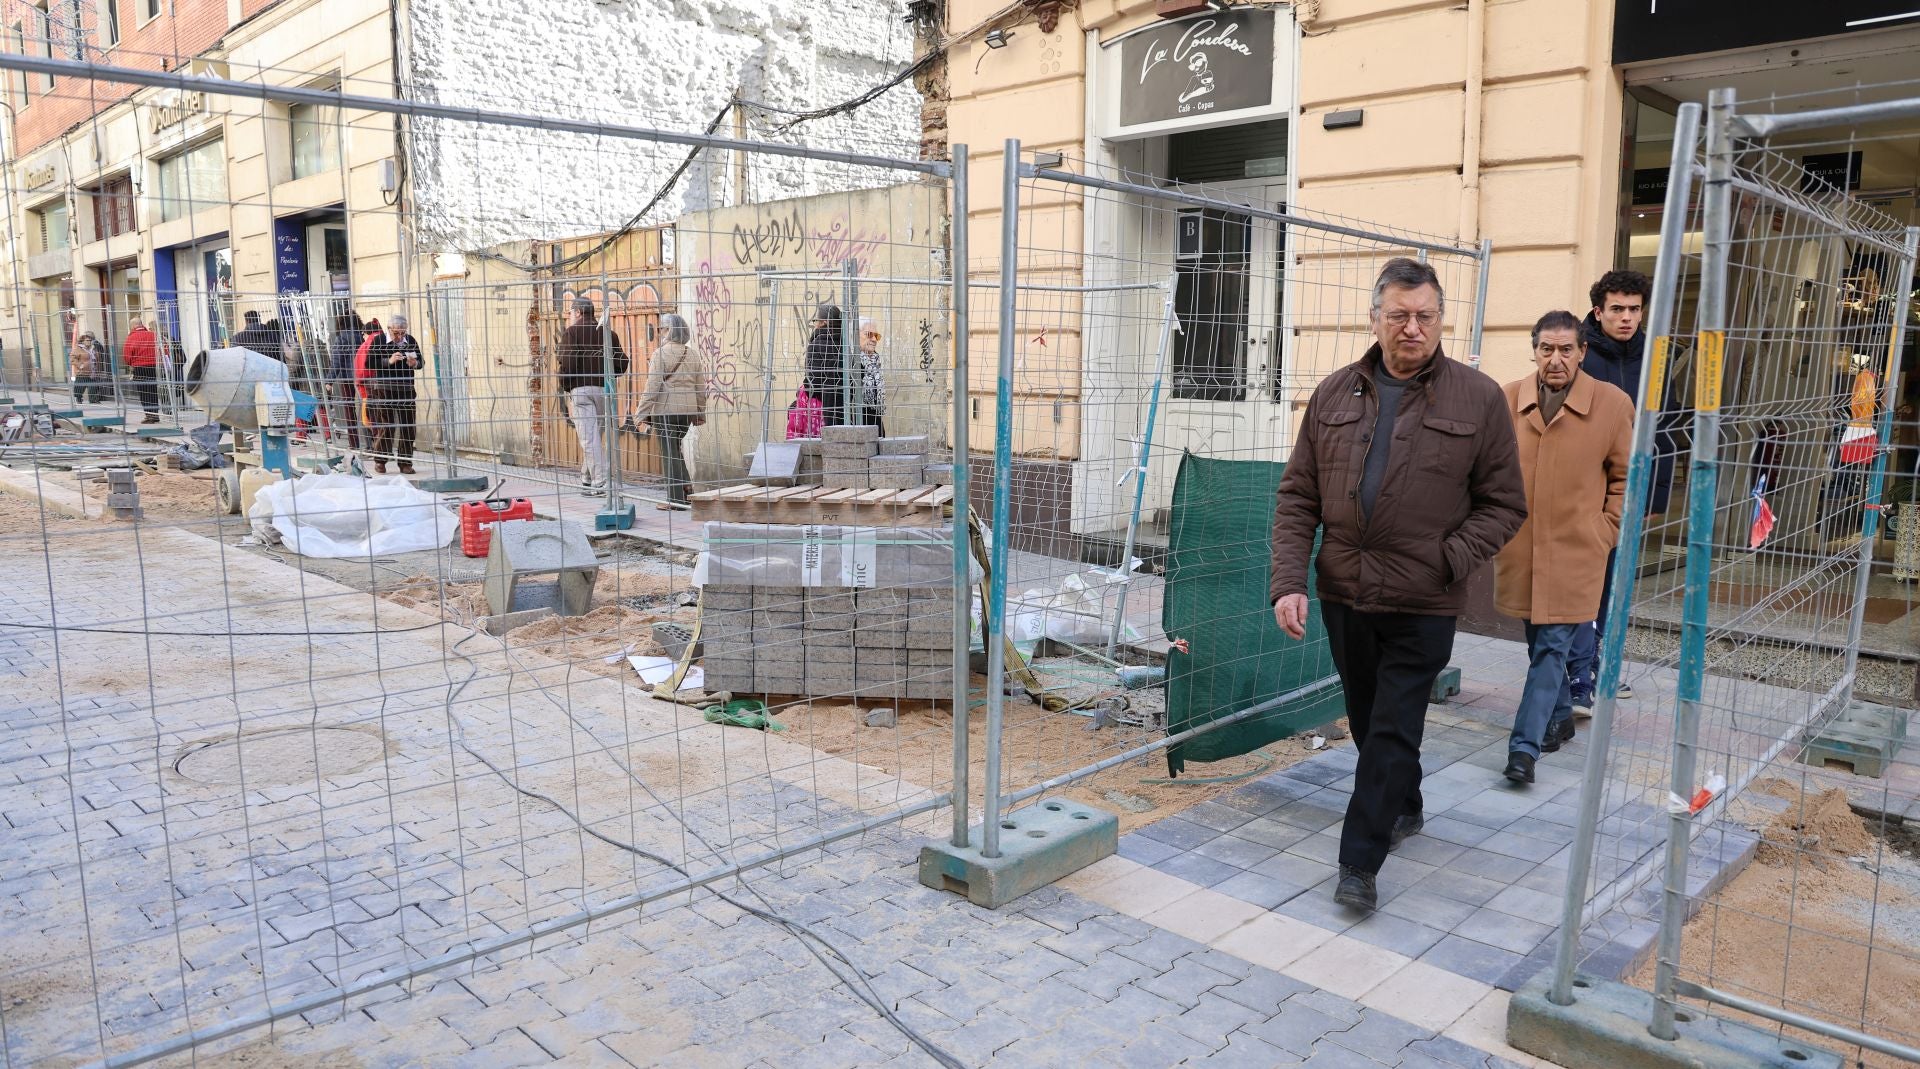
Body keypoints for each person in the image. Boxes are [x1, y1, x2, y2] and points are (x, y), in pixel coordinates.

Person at [1269, 257, 1526, 912]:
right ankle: (1405, 801)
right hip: (1345, 596)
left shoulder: (1479, 398)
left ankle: (1360, 862)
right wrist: (1288, 582)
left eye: (1426, 316)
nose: (1413, 328)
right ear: (1375, 318)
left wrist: (1448, 560)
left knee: (1390, 726)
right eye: (1399, 315)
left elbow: (1504, 505)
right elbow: (1298, 496)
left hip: (1423, 600)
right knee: (1367, 720)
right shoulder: (1332, 394)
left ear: (1441, 319)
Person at [1495, 311, 1633, 784]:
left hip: (1578, 550)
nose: (1556, 359)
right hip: (1521, 548)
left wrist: (1605, 529)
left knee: (1553, 646)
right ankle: (1557, 720)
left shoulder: (1612, 405)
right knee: (1537, 641)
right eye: (1547, 349)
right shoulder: (1508, 398)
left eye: (1566, 349)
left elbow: (1626, 479)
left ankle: (1523, 749)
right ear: (1534, 350)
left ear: (1582, 352)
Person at [1565, 269, 1672, 714]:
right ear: (1598, 311)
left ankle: (1599, 667)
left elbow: (1666, 426)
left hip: (1629, 491)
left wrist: (1656, 497)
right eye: (1617, 309)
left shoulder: (1657, 355)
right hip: (1584, 489)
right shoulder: (1579, 352)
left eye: (1634, 309)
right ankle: (1576, 672)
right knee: (1582, 580)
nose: (1627, 318)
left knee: (1615, 583)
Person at [630, 313, 706, 508]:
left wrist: (639, 414)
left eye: (662, 329)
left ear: (669, 330)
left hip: (666, 411)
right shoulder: (693, 354)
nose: (660, 333)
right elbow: (700, 386)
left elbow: (652, 386)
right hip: (687, 412)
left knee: (669, 453)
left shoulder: (660, 354)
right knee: (675, 449)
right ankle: (687, 487)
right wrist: (700, 412)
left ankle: (675, 500)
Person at [556, 297, 629, 498]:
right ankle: (587, 479)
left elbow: (568, 364)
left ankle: (600, 482)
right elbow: (622, 363)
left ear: (578, 312)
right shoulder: (608, 334)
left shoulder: (572, 332)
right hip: (603, 390)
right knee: (594, 436)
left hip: (581, 391)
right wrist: (607, 372)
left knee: (589, 438)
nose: (570, 316)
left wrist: (565, 384)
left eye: (571, 312)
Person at [364, 315, 423, 475]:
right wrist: (388, 361)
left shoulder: (410, 340)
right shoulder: (379, 341)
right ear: (389, 329)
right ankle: (380, 460)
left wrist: (415, 363)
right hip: (384, 389)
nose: (400, 336)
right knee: (387, 426)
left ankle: (405, 463)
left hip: (406, 389)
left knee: (408, 426)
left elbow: (421, 362)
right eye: (397, 333)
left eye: (402, 332)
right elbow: (369, 363)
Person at [802, 304, 848, 428]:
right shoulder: (848, 342)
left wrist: (807, 388)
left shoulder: (816, 344)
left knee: (834, 441)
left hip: (829, 406)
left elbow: (813, 383)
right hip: (852, 404)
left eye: (816, 320)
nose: (815, 324)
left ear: (824, 322)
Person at [328, 311, 366, 449]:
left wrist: (329, 381)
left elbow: (336, 361)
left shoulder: (341, 338)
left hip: (347, 378)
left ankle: (354, 443)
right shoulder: (362, 337)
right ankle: (371, 441)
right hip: (363, 377)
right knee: (366, 408)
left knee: (349, 410)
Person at [123, 319, 161, 424]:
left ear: (133, 326)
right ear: (141, 324)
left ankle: (149, 415)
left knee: (143, 391)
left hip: (139, 367)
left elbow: (127, 356)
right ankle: (155, 414)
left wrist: (130, 364)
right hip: (153, 366)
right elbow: (162, 349)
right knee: (153, 390)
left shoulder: (131, 338)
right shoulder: (153, 335)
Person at [858, 317, 888, 436]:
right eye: (869, 334)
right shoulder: (850, 362)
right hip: (856, 426)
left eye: (877, 336)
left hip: (875, 424)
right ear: (855, 335)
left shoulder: (875, 362)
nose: (874, 339)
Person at [70, 332, 108, 404]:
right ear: (82, 341)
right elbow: (72, 359)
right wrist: (80, 365)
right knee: (80, 388)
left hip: (92, 371)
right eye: (87, 340)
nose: (89, 342)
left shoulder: (93, 348)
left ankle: (93, 399)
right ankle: (78, 398)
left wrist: (98, 368)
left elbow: (98, 359)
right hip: (82, 372)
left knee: (93, 386)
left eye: (90, 340)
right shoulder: (78, 349)